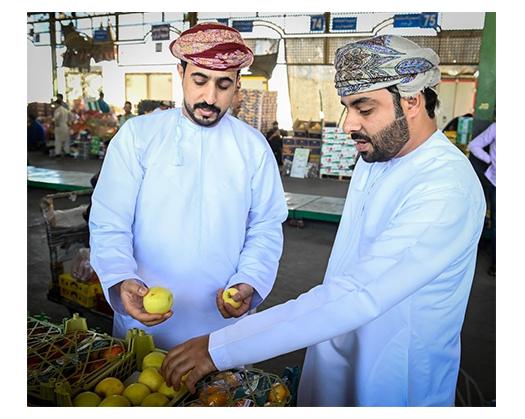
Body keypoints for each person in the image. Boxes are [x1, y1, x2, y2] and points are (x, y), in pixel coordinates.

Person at [160, 35, 487, 407]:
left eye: (364, 108)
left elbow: (360, 293)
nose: (349, 124)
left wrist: (220, 346)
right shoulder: (380, 155)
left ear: (411, 101)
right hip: (335, 347)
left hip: (394, 375)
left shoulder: (445, 188)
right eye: (347, 107)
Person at [89, 23, 288, 351]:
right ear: (180, 73)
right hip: (145, 322)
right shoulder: (138, 137)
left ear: (238, 85)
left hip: (222, 326)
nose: (210, 97)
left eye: (223, 84)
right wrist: (120, 277)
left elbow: (265, 225)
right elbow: (109, 221)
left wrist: (250, 280)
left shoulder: (252, 147)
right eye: (200, 80)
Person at [468, 122, 496, 276]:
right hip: (496, 182)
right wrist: (490, 160)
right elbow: (474, 145)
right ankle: (496, 264)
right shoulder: (497, 127)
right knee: (497, 225)